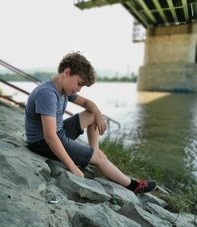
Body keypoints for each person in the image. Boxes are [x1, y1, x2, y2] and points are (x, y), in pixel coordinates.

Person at [25, 52, 156, 194]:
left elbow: (87, 103)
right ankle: (133, 186)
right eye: (79, 83)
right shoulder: (48, 93)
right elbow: (50, 136)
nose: (79, 89)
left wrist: (98, 114)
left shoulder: (62, 88)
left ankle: (95, 155)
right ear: (67, 73)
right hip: (42, 142)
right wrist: (73, 167)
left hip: (58, 132)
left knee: (92, 115)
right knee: (99, 157)